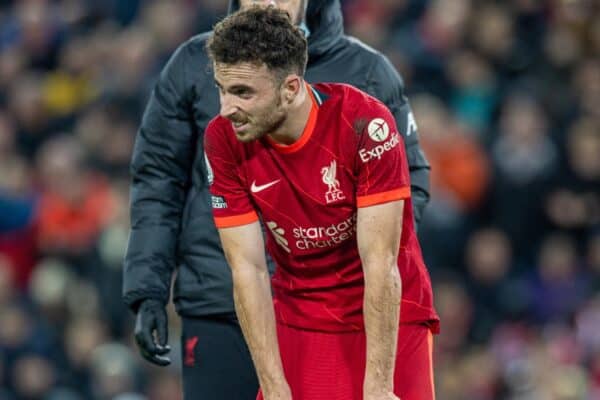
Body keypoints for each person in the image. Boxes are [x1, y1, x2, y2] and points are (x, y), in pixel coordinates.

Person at [123, 1, 431, 399]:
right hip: (220, 299)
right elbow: (157, 180)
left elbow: (410, 185)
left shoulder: (367, 77)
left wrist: (352, 263)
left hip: (347, 305)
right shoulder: (193, 69)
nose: (267, 2)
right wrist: (148, 289)